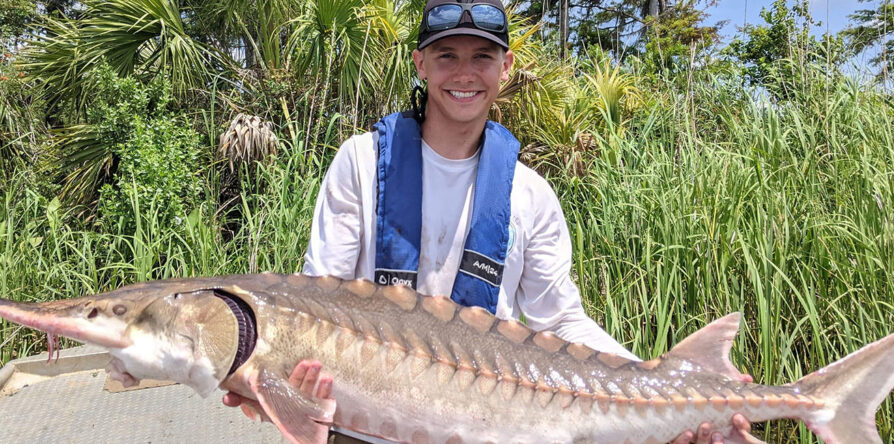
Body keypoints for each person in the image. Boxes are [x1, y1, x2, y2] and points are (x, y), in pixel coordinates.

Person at [224, 1, 759, 442]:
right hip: (361, 430)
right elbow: (317, 300)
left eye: (482, 57)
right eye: (446, 55)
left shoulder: (531, 195)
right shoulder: (362, 163)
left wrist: (666, 385)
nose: (464, 73)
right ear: (420, 64)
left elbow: (561, 321)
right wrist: (269, 376)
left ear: (504, 69)